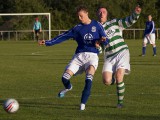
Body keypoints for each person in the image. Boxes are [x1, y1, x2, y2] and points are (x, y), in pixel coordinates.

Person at [39, 6, 107, 110]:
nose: (79, 18)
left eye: (81, 16)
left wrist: (102, 41)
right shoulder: (77, 28)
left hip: (92, 56)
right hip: (79, 56)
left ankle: (82, 105)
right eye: (78, 16)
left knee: (89, 78)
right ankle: (68, 87)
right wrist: (48, 42)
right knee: (64, 77)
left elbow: (106, 40)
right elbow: (63, 36)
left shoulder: (97, 25)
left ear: (87, 13)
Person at [97, 5, 141, 108]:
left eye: (104, 12)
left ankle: (120, 103)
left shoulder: (114, 22)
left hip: (122, 52)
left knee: (119, 75)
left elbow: (128, 21)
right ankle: (115, 78)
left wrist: (136, 14)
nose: (102, 13)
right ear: (97, 14)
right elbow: (98, 49)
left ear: (107, 14)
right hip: (108, 56)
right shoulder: (96, 30)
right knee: (107, 81)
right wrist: (97, 46)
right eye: (99, 12)